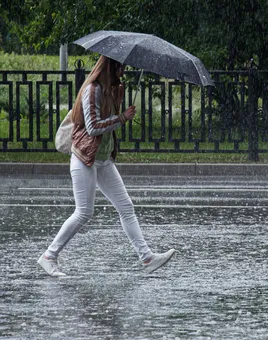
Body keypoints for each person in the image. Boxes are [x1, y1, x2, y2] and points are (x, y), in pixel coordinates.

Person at [37, 55, 174, 277]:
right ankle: (49, 257)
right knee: (84, 212)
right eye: (121, 67)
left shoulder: (112, 89)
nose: (124, 71)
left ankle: (147, 258)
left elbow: (107, 121)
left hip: (103, 159)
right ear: (111, 66)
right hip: (85, 158)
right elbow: (92, 128)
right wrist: (122, 118)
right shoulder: (92, 89)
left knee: (126, 207)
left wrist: (119, 103)